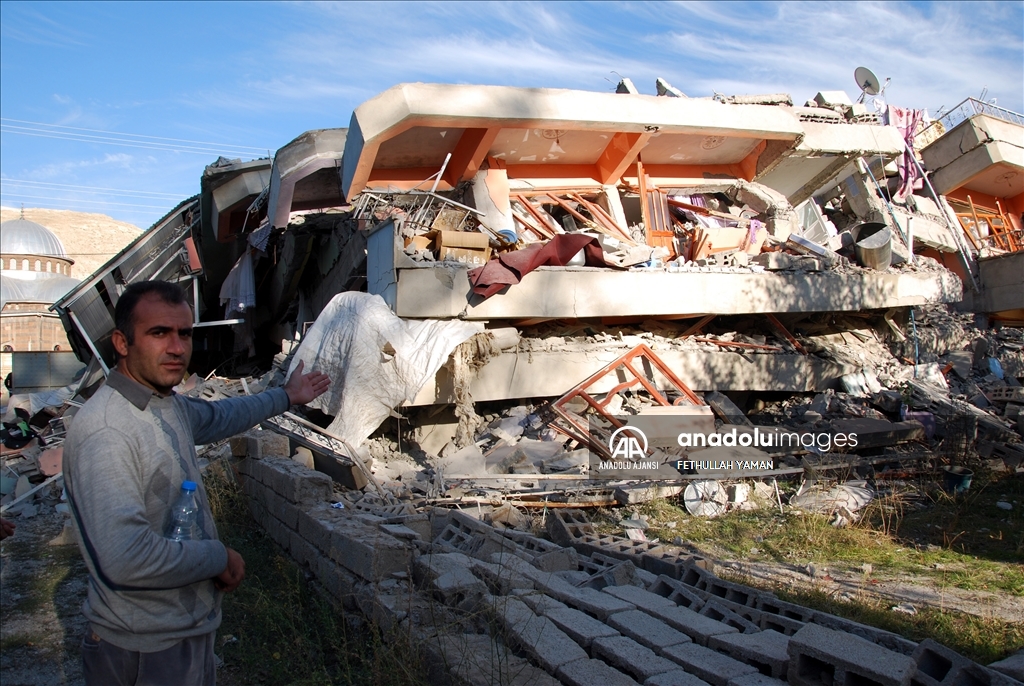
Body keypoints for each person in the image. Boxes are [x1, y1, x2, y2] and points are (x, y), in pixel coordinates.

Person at [63, 280, 329, 686]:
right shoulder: (108, 431)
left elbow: (220, 417)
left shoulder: (161, 402)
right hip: (144, 649)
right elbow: (126, 559)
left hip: (180, 632)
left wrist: (286, 396)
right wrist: (218, 557)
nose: (176, 347)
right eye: (158, 333)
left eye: (184, 333)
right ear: (121, 342)